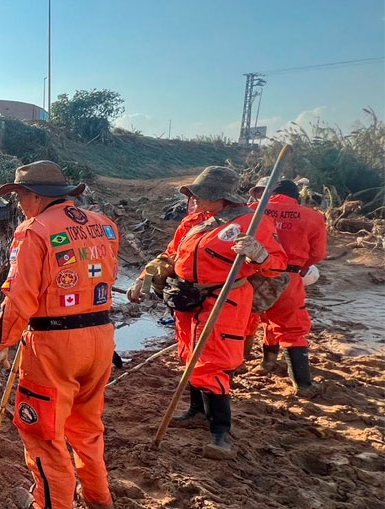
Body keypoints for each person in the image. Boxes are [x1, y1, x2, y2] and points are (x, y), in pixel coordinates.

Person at [0, 161, 120, 509]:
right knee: (87, 428)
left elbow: (20, 299)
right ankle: (99, 501)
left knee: (42, 432)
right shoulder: (104, 225)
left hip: (54, 346)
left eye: (20, 196)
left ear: (35, 196)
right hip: (101, 337)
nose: (19, 204)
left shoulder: (34, 232)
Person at [128, 167, 287, 459]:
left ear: (221, 197)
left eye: (200, 194)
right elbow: (170, 255)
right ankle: (197, 412)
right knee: (190, 355)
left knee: (211, 362)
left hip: (224, 299)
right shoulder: (194, 222)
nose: (194, 199)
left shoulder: (252, 222)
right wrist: (145, 278)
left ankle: (220, 432)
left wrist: (259, 254)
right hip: (187, 298)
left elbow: (277, 265)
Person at [244, 178, 327, 397]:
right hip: (288, 277)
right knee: (291, 328)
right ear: (296, 197)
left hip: (250, 275)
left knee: (241, 321)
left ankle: (241, 366)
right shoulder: (313, 216)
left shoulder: (251, 209)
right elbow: (318, 254)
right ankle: (303, 385)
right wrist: (300, 266)